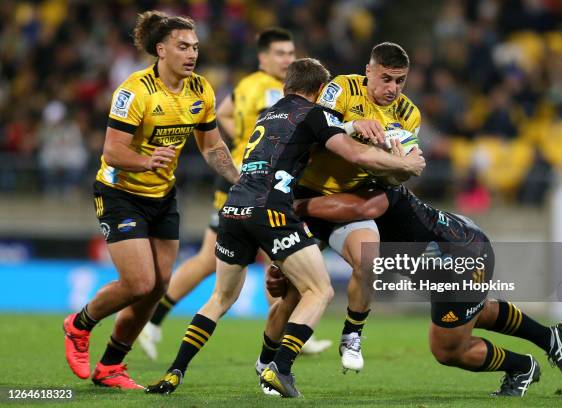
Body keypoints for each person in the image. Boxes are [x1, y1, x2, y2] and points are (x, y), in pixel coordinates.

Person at [144, 58, 426, 398]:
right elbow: (355, 154)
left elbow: (327, 133)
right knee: (318, 291)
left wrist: (351, 127)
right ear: (321, 91)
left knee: (220, 297)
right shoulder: (316, 114)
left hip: (233, 207)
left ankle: (175, 371)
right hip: (272, 209)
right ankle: (282, 368)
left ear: (285, 86)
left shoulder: (269, 114)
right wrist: (403, 162)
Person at [62, 10, 239, 389]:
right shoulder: (134, 91)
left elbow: (211, 146)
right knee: (139, 282)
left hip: (162, 195)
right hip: (120, 193)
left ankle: (111, 366)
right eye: (182, 47)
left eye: (195, 47)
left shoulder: (200, 90)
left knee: (158, 287)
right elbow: (112, 151)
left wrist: (240, 180)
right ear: (161, 50)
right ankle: (79, 325)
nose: (192, 54)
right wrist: (146, 160)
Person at [138, 28, 331, 360]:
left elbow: (224, 113)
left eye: (290, 53)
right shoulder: (263, 89)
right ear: (263, 57)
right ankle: (153, 318)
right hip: (246, 180)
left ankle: (284, 328)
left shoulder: (265, 89)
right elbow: (225, 116)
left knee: (268, 258)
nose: (287, 59)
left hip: (256, 180)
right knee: (212, 260)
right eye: (280, 54)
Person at [280, 185, 562, 397]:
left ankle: (522, 367)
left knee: (447, 348)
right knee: (475, 311)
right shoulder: (333, 194)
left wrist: (294, 205)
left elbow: (365, 208)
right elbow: (314, 237)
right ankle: (551, 338)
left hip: (459, 258)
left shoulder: (369, 186)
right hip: (447, 253)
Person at [259, 41, 421, 374]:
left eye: (400, 80)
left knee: (368, 258)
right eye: (386, 78)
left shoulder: (409, 113)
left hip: (348, 201)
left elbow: (399, 173)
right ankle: (265, 360)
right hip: (304, 193)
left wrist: (390, 163)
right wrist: (354, 128)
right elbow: (319, 134)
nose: (393, 88)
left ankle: (352, 335)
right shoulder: (342, 89)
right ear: (369, 71)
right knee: (291, 296)